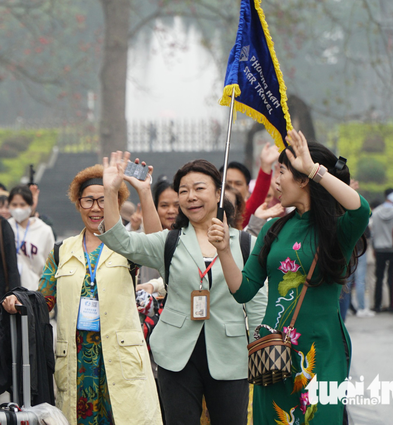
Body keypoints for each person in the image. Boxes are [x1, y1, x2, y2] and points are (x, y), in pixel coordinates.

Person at [210, 130, 370, 424]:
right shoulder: (273, 229)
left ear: (303, 179)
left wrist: (314, 169)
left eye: (281, 171)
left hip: (320, 353)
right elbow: (243, 290)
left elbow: (362, 209)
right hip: (272, 357)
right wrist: (223, 251)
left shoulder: (337, 230)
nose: (276, 181)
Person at [97, 153, 266, 425]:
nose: (190, 197)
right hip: (176, 354)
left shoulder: (246, 243)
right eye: (184, 191)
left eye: (199, 188)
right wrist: (110, 189)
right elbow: (121, 241)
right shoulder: (169, 241)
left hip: (231, 353)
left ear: (219, 193)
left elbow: (257, 302)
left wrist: (260, 347)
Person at [3, 164, 162, 425]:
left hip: (119, 358)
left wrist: (145, 192)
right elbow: (44, 300)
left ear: (117, 203)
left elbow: (159, 246)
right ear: (78, 204)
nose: (96, 208)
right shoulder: (61, 251)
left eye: (103, 200)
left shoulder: (128, 245)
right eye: (88, 200)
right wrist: (20, 301)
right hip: (78, 360)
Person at [8, 185, 55, 291]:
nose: (18, 209)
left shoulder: (44, 230)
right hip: (9, 292)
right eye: (14, 204)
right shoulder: (5, 227)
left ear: (31, 205)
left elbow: (51, 265)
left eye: (22, 205)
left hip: (35, 292)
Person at [371, 188, 393, 313]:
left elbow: (373, 231)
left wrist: (374, 246)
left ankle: (377, 305)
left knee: (379, 277)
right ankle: (392, 305)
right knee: (392, 277)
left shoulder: (376, 212)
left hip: (380, 248)